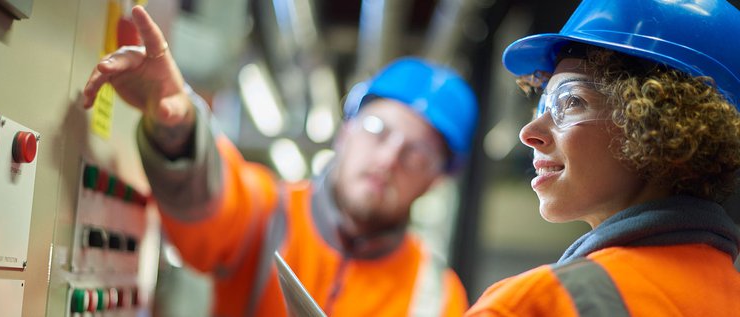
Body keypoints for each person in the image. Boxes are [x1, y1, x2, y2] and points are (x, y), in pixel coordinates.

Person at [83, 6, 479, 317]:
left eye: (417, 154)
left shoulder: (436, 297)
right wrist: (179, 127)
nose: (390, 159)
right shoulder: (269, 212)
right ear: (347, 132)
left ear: (435, 182)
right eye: (378, 130)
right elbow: (209, 199)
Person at [465, 0, 740, 316]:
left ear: (661, 121)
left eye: (570, 102)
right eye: (542, 106)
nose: (528, 132)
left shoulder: (539, 303)